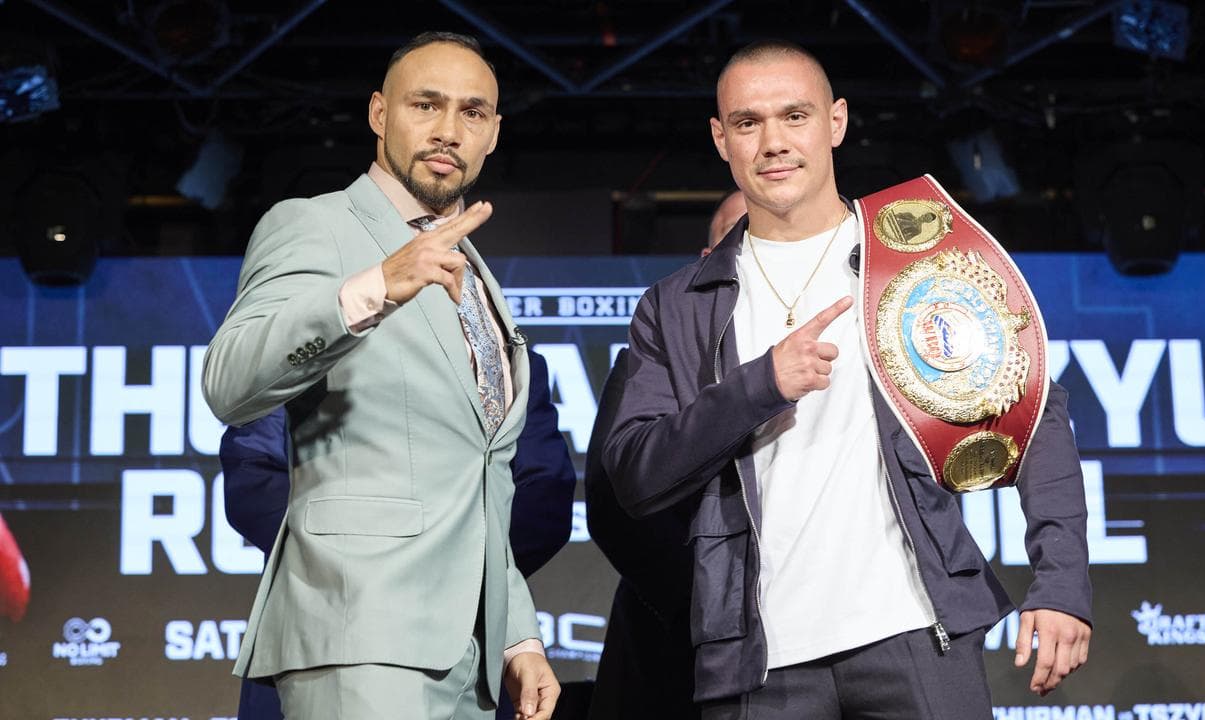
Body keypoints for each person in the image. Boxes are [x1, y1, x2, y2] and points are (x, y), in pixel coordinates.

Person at [602, 40, 1091, 719]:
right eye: (748, 123)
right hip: (759, 661)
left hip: (915, 630)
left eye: (794, 116)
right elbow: (634, 472)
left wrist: (1061, 580)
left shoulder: (917, 253)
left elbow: (1032, 412)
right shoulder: (678, 304)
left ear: (835, 122)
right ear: (721, 138)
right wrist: (759, 385)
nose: (773, 141)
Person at [201, 31, 559, 720]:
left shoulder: (479, 275)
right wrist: (370, 290)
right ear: (378, 114)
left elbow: (483, 488)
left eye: (472, 112)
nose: (448, 131)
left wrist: (518, 636)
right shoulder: (315, 226)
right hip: (359, 637)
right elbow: (229, 382)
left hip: (471, 659)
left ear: (493, 133)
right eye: (425, 105)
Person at [220, 349, 576, 720]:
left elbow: (545, 494)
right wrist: (360, 560)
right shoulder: (308, 344)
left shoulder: (502, 355)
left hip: (472, 644)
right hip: (323, 626)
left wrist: (451, 563)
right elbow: (253, 472)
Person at [583, 193, 743, 720]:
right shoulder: (652, 354)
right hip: (670, 648)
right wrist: (707, 605)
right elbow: (611, 501)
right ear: (707, 259)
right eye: (738, 235)